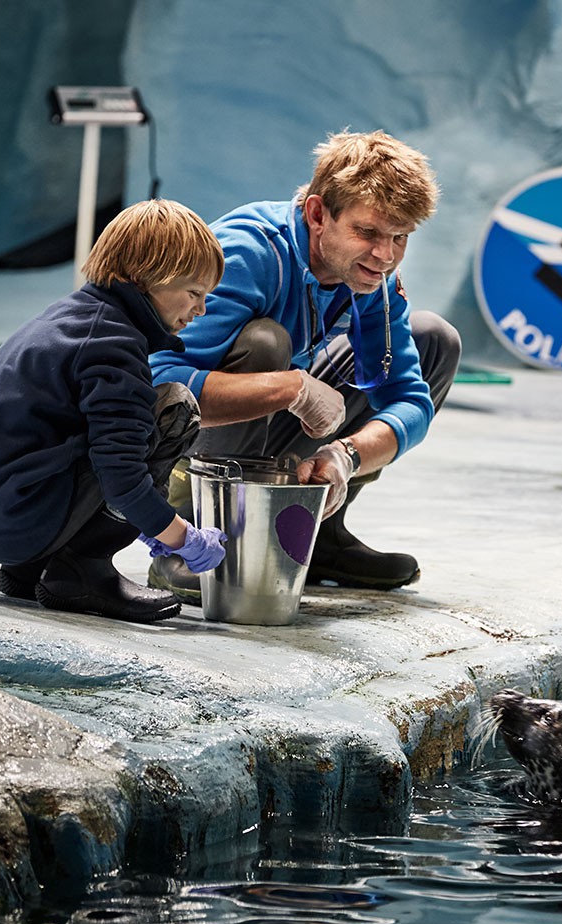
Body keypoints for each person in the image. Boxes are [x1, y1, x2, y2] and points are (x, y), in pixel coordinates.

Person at [148, 129, 461, 601]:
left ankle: (319, 529)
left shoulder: (372, 278)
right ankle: (191, 539)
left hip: (266, 438)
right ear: (318, 214)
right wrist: (288, 388)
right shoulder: (247, 254)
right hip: (182, 457)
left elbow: (409, 400)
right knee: (264, 343)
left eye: (400, 237)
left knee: (433, 338)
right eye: (368, 232)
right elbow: (157, 382)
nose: (386, 256)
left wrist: (346, 456)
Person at [0, 199, 229, 623]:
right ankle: (81, 571)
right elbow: (123, 479)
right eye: (194, 293)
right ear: (148, 278)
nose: (200, 310)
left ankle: (30, 569)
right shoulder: (113, 344)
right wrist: (182, 536)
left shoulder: (67, 319)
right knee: (174, 408)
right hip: (19, 524)